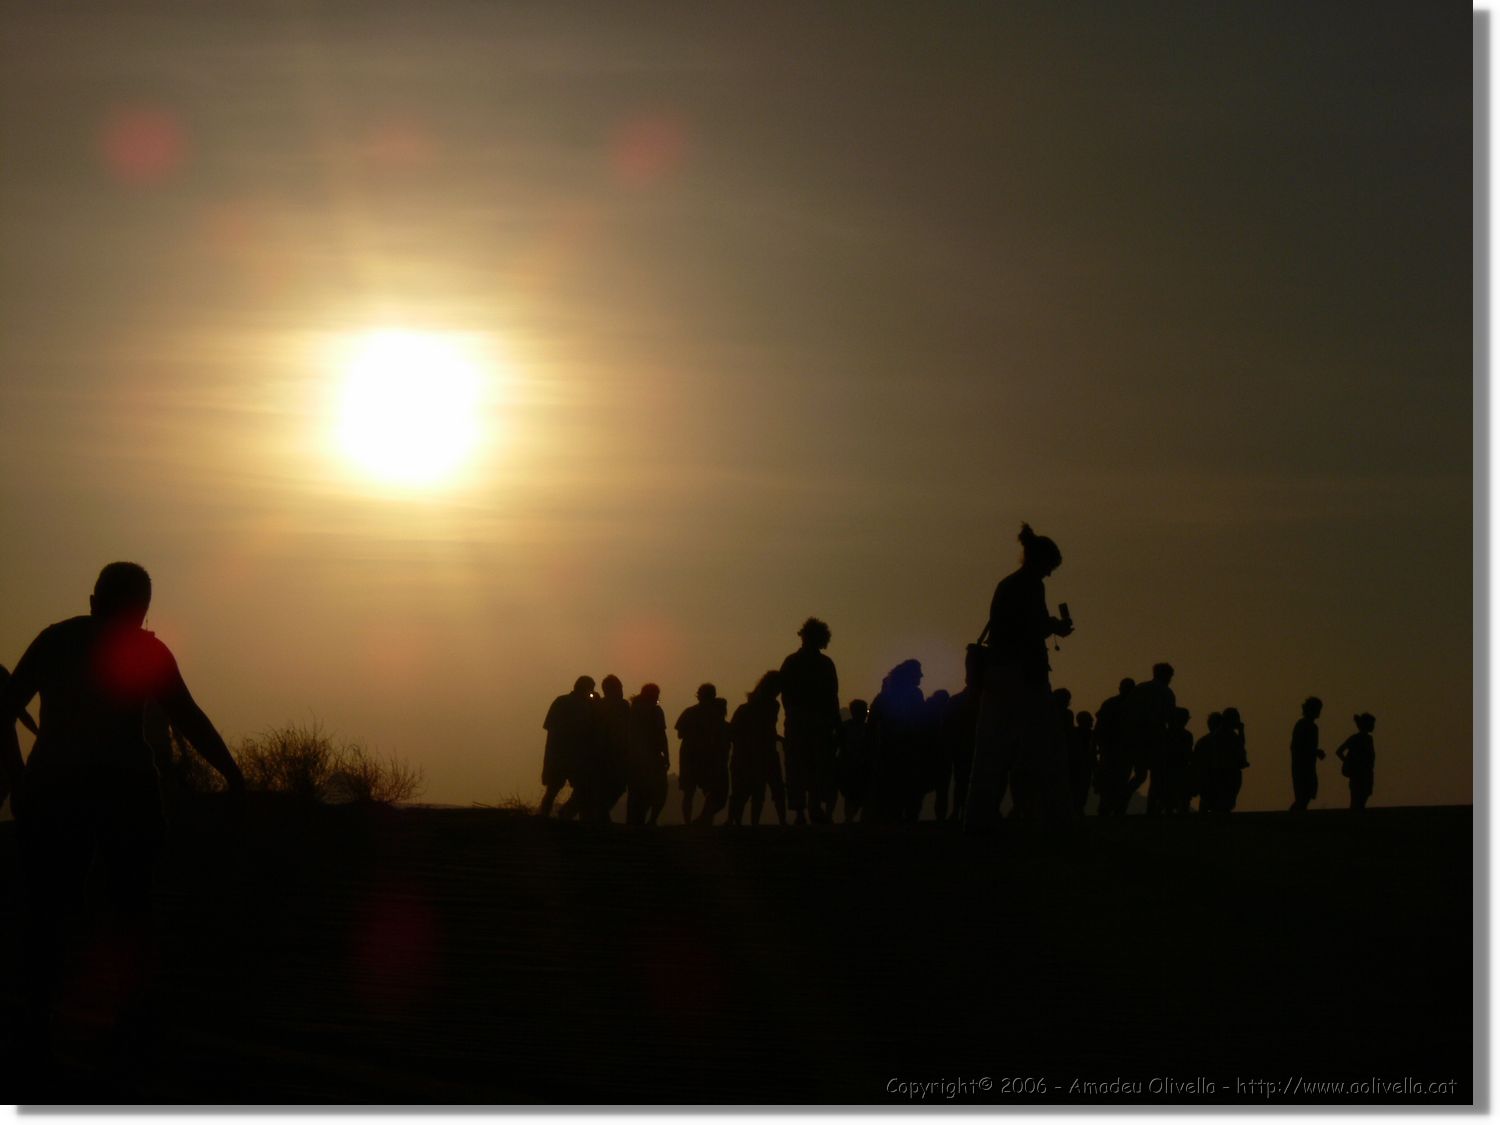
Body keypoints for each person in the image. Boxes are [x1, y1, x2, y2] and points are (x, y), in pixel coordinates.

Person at [0, 562, 245, 1070]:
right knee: (131, 907)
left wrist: (19, 779)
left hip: (57, 787)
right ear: (142, 610)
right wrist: (232, 772)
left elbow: (5, 707)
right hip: (124, 788)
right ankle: (127, 1022)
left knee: (50, 909)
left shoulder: (56, 640)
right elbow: (189, 716)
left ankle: (39, 1024)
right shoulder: (146, 650)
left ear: (94, 599)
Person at [964, 523, 1073, 829]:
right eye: (1050, 567)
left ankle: (978, 816)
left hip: (997, 673)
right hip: (1024, 675)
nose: (1050, 573)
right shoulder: (1032, 586)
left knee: (989, 750)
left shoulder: (1008, 584)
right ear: (1042, 562)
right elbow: (1031, 628)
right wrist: (1055, 627)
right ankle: (1044, 813)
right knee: (1042, 746)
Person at [778, 617, 841, 825]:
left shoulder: (792, 662)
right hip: (814, 721)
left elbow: (785, 694)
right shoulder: (824, 664)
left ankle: (803, 811)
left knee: (801, 765)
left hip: (802, 720)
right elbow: (832, 696)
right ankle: (810, 809)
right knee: (813, 765)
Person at [868, 660, 926, 822]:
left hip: (889, 749)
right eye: (918, 673)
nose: (921, 676)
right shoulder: (915, 694)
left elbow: (872, 724)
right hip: (908, 750)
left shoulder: (884, 697)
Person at [728, 672, 786, 826]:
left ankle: (739, 822)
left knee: (750, 791)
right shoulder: (772, 706)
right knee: (771, 789)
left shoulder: (746, 708)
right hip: (762, 752)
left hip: (750, 753)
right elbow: (767, 729)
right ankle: (779, 821)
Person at [539, 676, 595, 818]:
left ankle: (547, 815)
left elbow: (550, 728)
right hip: (572, 755)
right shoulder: (583, 706)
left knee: (554, 790)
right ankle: (564, 814)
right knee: (579, 789)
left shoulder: (562, 701)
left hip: (561, 753)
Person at [1127, 663, 1177, 815]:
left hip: (1138, 737)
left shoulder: (1140, 689)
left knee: (1140, 775)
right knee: (1157, 776)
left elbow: (1129, 712)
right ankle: (1151, 810)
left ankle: (1119, 803)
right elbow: (1170, 717)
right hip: (1157, 737)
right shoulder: (1167, 693)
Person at [676, 683, 725, 824]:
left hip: (690, 756)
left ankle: (688, 822)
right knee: (711, 791)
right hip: (707, 756)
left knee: (689, 793)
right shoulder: (716, 715)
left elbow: (679, 734)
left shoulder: (689, 712)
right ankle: (706, 819)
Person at [626, 683, 669, 825]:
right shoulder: (656, 711)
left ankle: (635, 822)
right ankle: (651, 820)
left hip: (634, 757)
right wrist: (667, 755)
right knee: (660, 791)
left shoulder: (632, 710)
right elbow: (661, 734)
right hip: (652, 756)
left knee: (637, 794)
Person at [591, 674, 632, 822]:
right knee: (612, 786)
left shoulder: (620, 705)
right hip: (607, 753)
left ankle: (600, 814)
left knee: (617, 786)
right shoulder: (607, 705)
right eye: (619, 687)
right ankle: (601, 815)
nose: (621, 690)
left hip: (616, 752)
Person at [1093, 678, 1135, 816]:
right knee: (1119, 780)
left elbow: (1099, 726)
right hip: (1121, 748)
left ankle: (1107, 807)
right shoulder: (1134, 706)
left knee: (1110, 780)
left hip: (1111, 748)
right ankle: (1116, 808)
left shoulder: (1110, 703)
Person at [837, 699, 871, 823]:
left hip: (851, 766)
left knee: (851, 796)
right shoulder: (868, 729)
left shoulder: (845, 727)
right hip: (857, 766)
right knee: (858, 795)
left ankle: (850, 819)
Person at [1335, 712, 1377, 811]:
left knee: (1358, 801)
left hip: (1363, 774)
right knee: (1358, 801)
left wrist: (1347, 762)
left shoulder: (1361, 738)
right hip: (1361, 774)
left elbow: (1339, 751)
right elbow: (1339, 751)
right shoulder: (1361, 739)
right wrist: (1348, 763)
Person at [1289, 696, 1325, 812]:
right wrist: (1315, 752)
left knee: (1306, 795)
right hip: (1302, 766)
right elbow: (1298, 746)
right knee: (1303, 796)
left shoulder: (1310, 726)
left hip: (1307, 766)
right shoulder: (1304, 726)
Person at [1067, 710, 1095, 816]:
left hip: (1076, 765)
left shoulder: (1073, 733)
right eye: (1090, 719)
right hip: (1083, 765)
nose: (1092, 721)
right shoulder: (1090, 734)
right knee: (1082, 788)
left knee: (1078, 789)